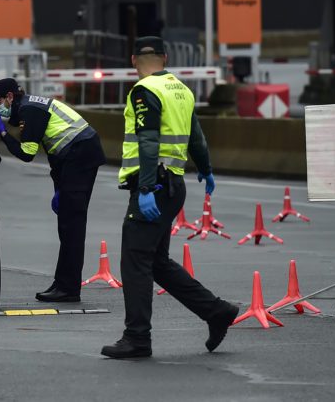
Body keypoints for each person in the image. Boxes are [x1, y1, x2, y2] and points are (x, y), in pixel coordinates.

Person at [102, 36, 239, 359]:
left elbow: (148, 141)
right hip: (174, 184)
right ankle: (216, 311)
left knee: (135, 261)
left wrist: (146, 188)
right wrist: (205, 169)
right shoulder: (181, 90)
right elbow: (196, 136)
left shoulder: (144, 90)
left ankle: (137, 337)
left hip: (155, 185)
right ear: (165, 57)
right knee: (157, 263)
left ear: (133, 59)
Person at [0, 77, 106, 302]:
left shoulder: (30, 111)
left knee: (72, 226)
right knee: (67, 225)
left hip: (80, 155)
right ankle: (64, 284)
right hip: (75, 156)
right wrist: (58, 188)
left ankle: (68, 288)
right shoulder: (28, 107)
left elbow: (27, 154)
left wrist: (2, 134)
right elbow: (54, 152)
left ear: (10, 97)